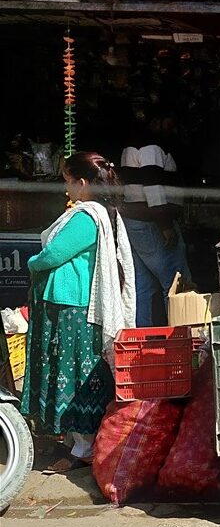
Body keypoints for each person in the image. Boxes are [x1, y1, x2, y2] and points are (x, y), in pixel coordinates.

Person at [21, 151, 136, 461]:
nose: (66, 189)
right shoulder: (99, 214)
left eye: (69, 182)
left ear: (84, 183)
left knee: (74, 375)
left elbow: (53, 255)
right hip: (67, 307)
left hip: (73, 309)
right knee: (69, 371)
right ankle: (76, 442)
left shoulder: (87, 217)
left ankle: (83, 446)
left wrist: (32, 263)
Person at [120, 115, 192, 327]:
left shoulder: (131, 147)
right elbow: (153, 188)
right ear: (155, 123)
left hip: (135, 222)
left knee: (143, 284)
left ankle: (143, 334)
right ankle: (179, 335)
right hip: (151, 223)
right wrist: (166, 226)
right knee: (175, 282)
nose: (172, 126)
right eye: (168, 122)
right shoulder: (151, 148)